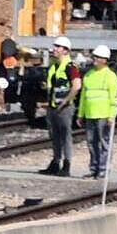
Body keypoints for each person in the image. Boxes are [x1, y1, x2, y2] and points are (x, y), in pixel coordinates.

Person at [40, 36, 80, 177]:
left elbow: (76, 85)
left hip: (64, 108)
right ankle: (56, 162)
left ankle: (66, 165)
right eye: (55, 46)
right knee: (55, 135)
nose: (55, 49)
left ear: (66, 50)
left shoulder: (70, 67)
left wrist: (66, 101)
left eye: (58, 47)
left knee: (65, 136)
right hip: (53, 107)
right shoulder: (54, 66)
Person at [78, 44, 117, 179]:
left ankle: (103, 169)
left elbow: (114, 97)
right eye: (94, 56)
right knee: (91, 142)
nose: (95, 59)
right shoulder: (89, 75)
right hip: (90, 114)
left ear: (105, 60)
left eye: (98, 57)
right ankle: (94, 168)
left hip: (104, 115)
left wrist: (111, 115)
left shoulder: (110, 76)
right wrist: (80, 114)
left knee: (104, 142)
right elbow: (84, 96)